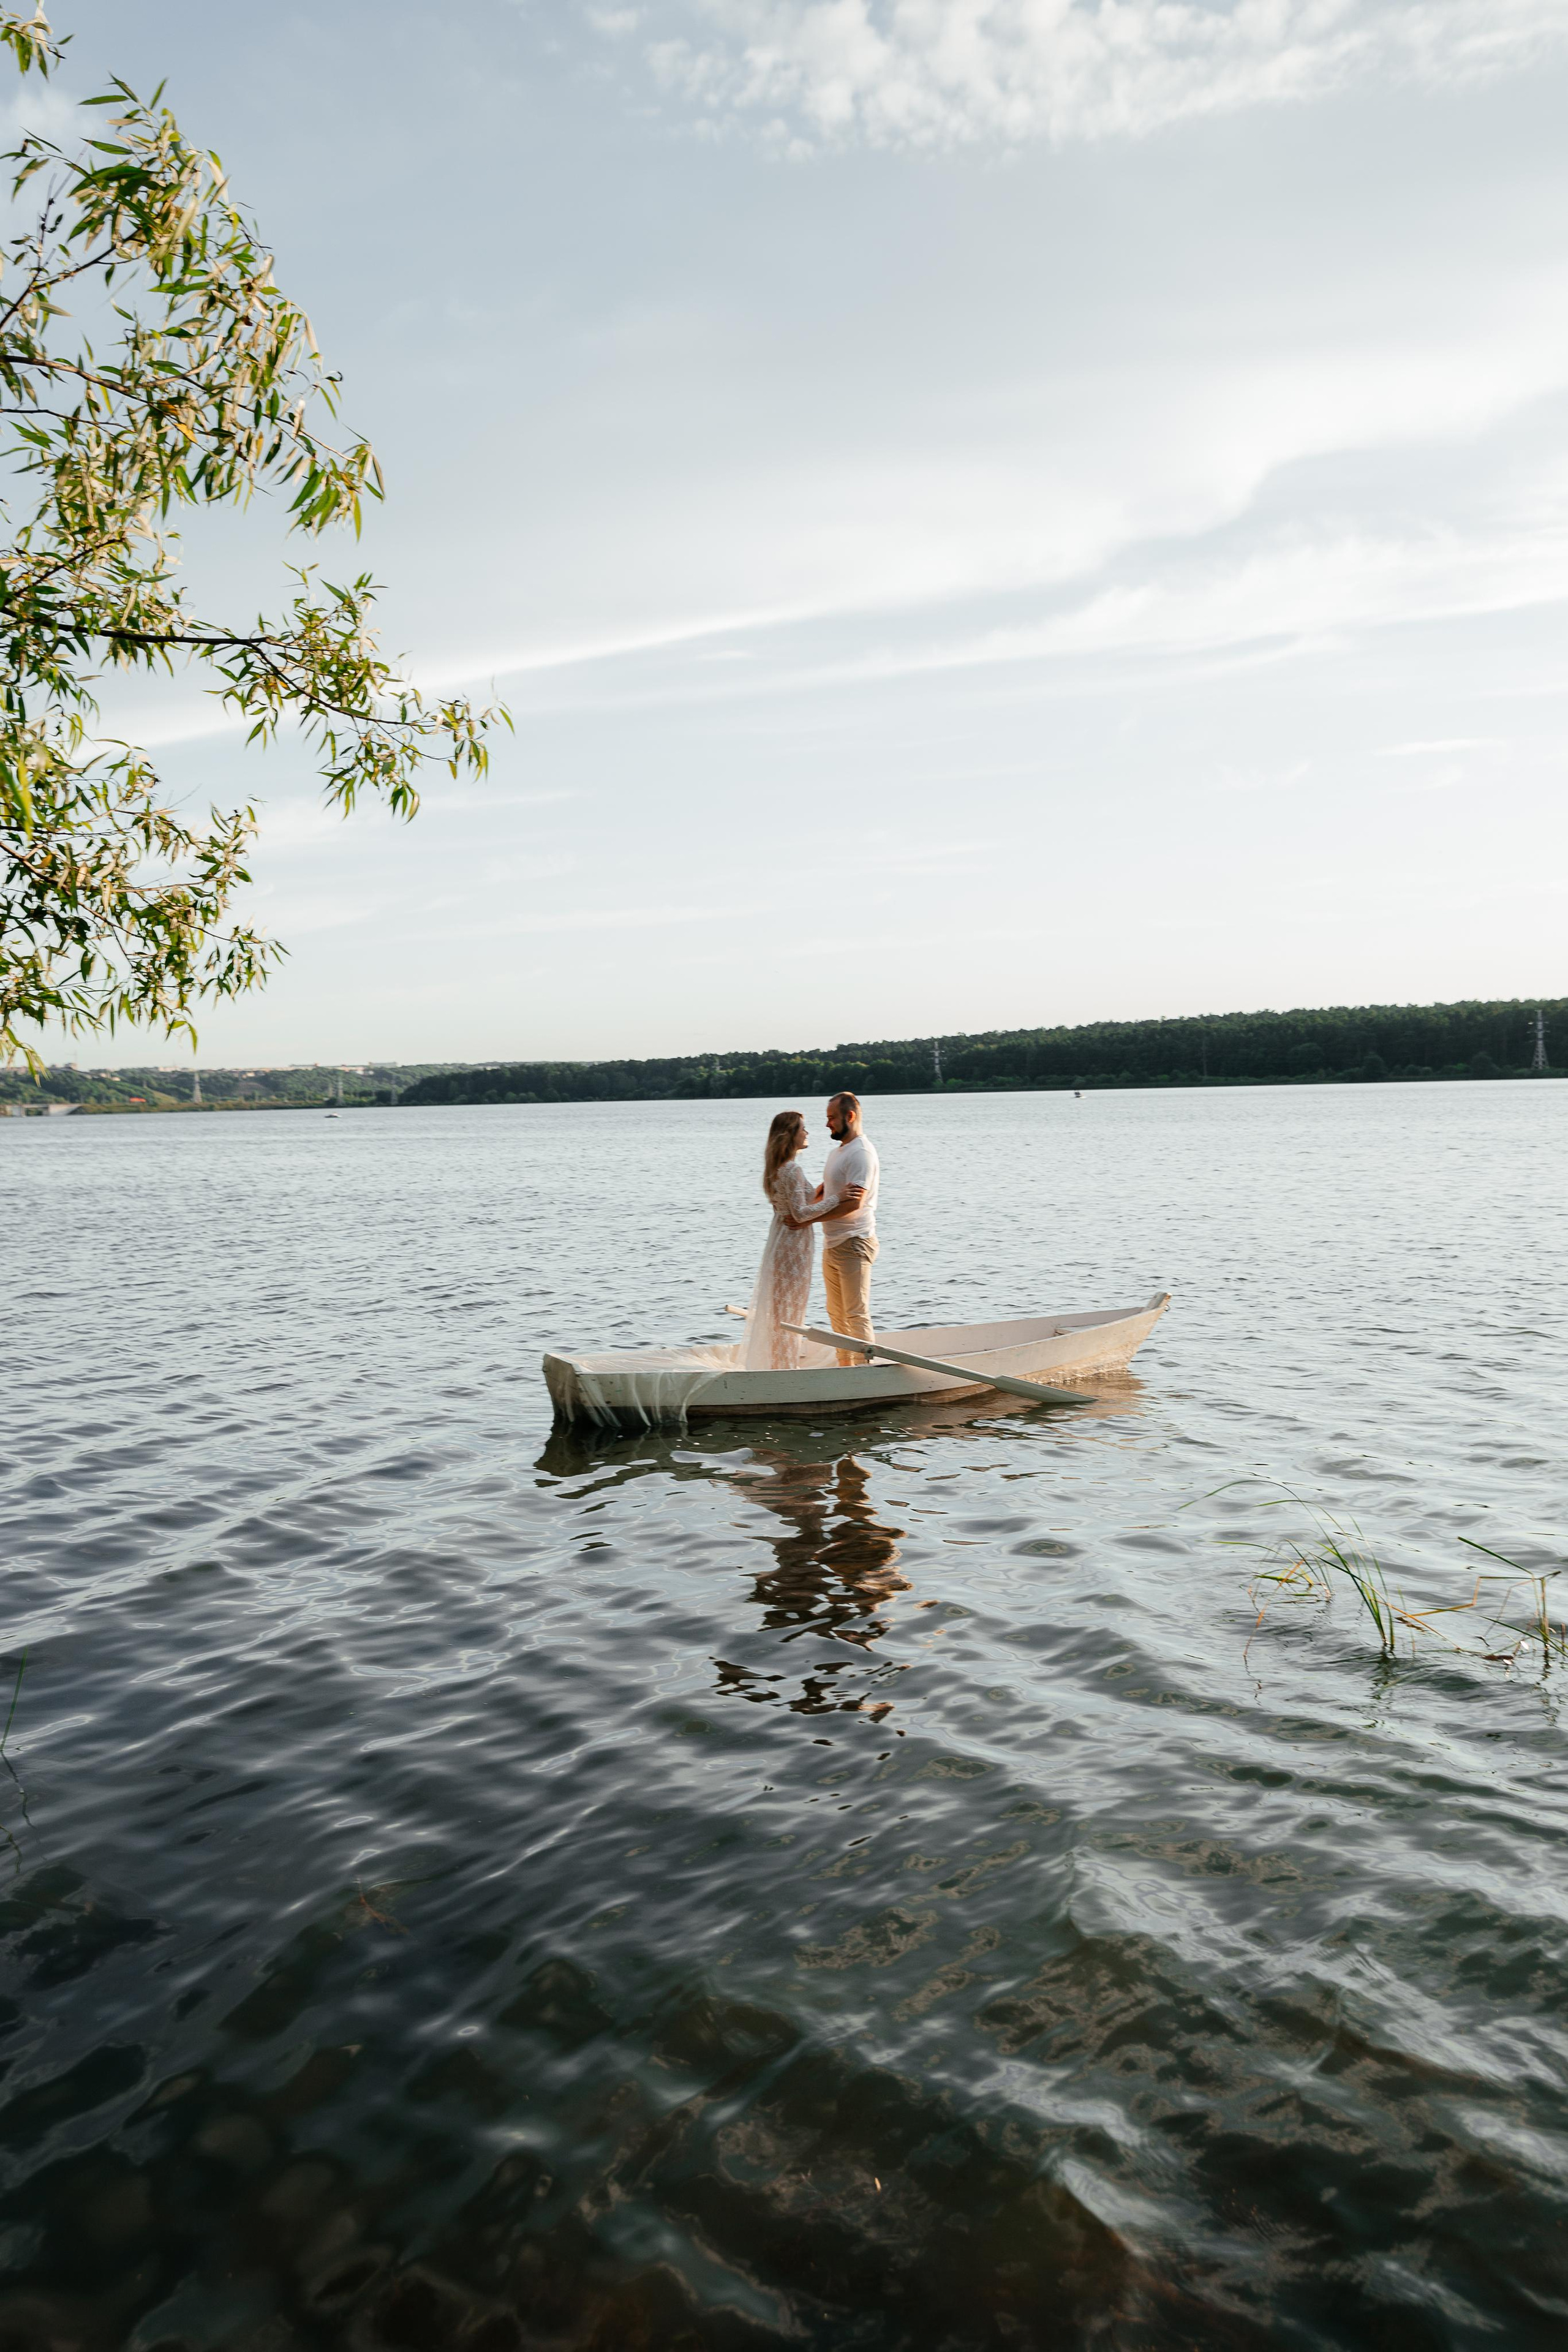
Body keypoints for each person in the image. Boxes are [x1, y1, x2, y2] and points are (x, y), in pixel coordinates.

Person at [742, 1110, 842, 1371]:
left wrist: (822, 1190)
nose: (807, 1133)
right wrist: (839, 1198)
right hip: (794, 1245)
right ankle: (785, 1368)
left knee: (781, 1310)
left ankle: (780, 1363)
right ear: (790, 1135)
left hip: (781, 1241)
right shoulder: (793, 1169)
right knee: (790, 1310)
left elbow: (802, 1200)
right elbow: (801, 1213)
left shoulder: (777, 1169)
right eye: (803, 1129)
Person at [816, 1091, 880, 1365]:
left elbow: (855, 1203)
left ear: (850, 1116)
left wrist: (808, 1220)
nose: (828, 1124)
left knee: (855, 1313)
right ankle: (846, 1370)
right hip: (832, 1243)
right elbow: (823, 1193)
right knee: (836, 1314)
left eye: (832, 1118)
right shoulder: (838, 1152)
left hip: (855, 1242)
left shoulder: (861, 1153)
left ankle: (867, 1372)